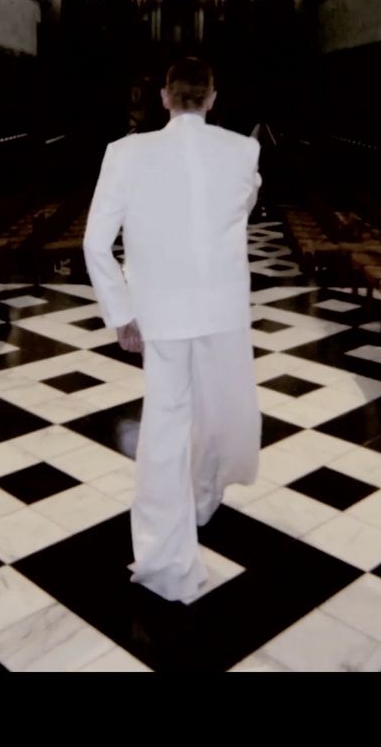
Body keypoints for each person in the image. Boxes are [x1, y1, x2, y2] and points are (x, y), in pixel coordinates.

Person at [82, 57, 262, 604]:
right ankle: (204, 498)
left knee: (165, 428)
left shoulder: (125, 153)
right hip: (223, 310)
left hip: (158, 315)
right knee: (221, 412)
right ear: (212, 98)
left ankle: (165, 557)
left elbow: (95, 243)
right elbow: (241, 208)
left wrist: (121, 312)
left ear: (164, 97)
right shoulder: (243, 151)